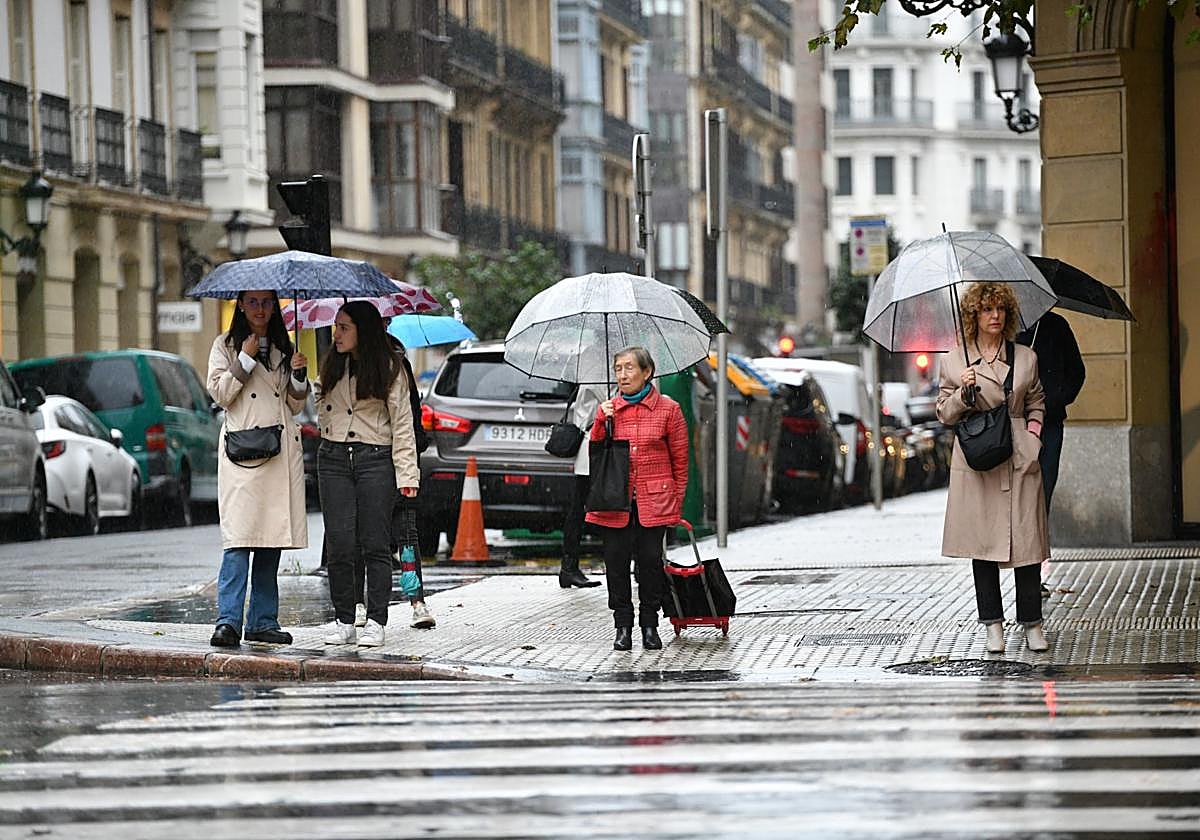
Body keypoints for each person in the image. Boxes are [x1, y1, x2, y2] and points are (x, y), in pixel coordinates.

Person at [937, 282, 1051, 654]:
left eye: (1000, 309)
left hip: (1019, 455)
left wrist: (1033, 437)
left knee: (1028, 543)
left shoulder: (1025, 357)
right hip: (978, 459)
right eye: (987, 309)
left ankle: (1033, 624)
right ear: (973, 315)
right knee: (982, 544)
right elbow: (944, 413)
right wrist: (962, 392)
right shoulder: (954, 361)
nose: (995, 316)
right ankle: (993, 626)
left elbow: (1036, 401)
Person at [206, 289, 309, 648]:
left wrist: (299, 375)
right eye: (253, 302)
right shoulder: (225, 345)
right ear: (241, 305)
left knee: (269, 540)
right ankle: (228, 621)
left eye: (267, 302)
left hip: (277, 450)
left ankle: (263, 621)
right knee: (239, 539)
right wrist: (245, 360)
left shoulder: (284, 347)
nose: (260, 309)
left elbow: (295, 405)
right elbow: (220, 394)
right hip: (242, 452)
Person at [317, 301, 420, 648]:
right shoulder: (333, 363)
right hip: (333, 457)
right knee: (340, 544)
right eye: (336, 326)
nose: (337, 334)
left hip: (375, 458)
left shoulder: (390, 366)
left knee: (375, 543)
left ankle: (376, 620)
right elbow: (317, 402)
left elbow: (403, 423)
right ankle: (345, 619)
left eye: (344, 327)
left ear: (363, 330)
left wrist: (407, 475)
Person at [586, 347, 689, 651]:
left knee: (650, 564)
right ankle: (622, 626)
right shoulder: (609, 409)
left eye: (629, 368)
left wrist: (675, 503)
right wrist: (600, 421)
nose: (622, 375)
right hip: (614, 500)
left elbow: (680, 461)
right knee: (615, 565)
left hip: (654, 501)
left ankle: (649, 625)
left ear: (647, 372)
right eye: (618, 368)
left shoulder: (669, 410)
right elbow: (596, 451)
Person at [1017, 310, 1085, 596]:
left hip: (1050, 424)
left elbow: (1077, 372)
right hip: (1013, 425)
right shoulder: (1005, 328)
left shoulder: (1056, 326)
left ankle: (1032, 576)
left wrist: (1054, 400)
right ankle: (1018, 571)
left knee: (1040, 496)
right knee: (1014, 500)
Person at [559, 383, 606, 589]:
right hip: (593, 444)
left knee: (578, 508)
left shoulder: (596, 372)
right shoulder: (596, 373)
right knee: (579, 509)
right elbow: (612, 402)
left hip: (601, 447)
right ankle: (569, 567)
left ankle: (569, 568)